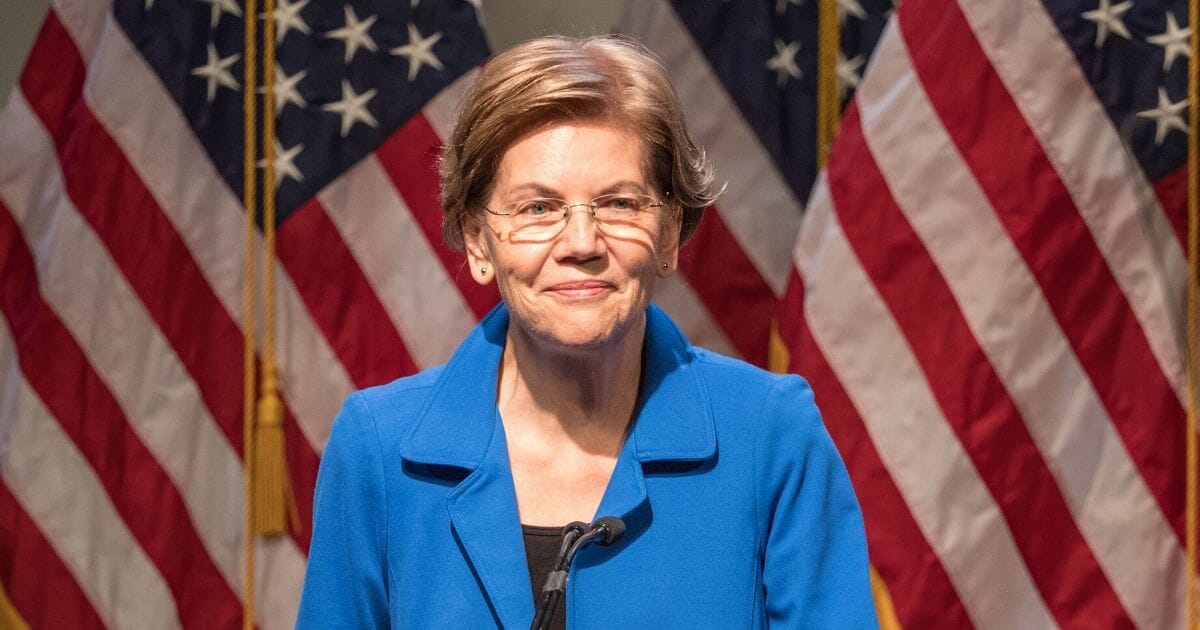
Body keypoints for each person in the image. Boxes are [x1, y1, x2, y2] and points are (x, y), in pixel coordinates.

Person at [296, 35, 877, 629]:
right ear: (477, 240)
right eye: (537, 209)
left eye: (620, 203)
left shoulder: (770, 436)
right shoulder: (379, 450)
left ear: (671, 233)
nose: (581, 244)